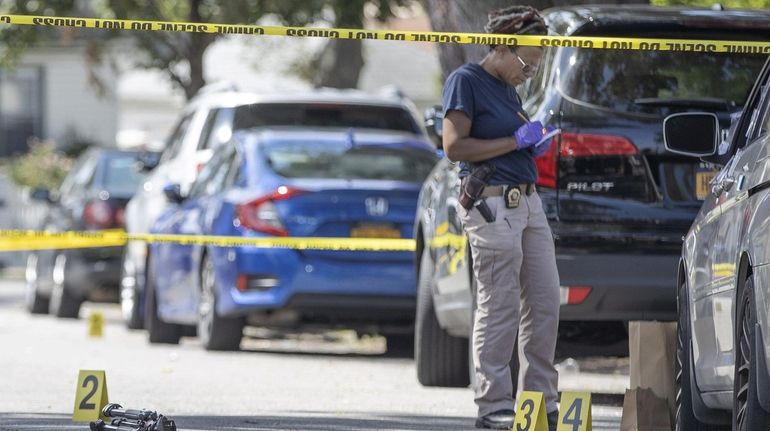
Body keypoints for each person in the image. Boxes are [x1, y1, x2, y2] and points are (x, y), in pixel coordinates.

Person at [441, 6, 560, 431]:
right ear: (504, 46)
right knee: (500, 306)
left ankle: (540, 403)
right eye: (528, 61)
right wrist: (514, 140)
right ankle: (493, 406)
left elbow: (509, 142)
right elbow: (454, 147)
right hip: (492, 205)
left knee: (545, 303)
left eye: (538, 63)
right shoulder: (466, 81)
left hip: (528, 204)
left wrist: (532, 144)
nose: (531, 71)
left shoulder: (510, 92)